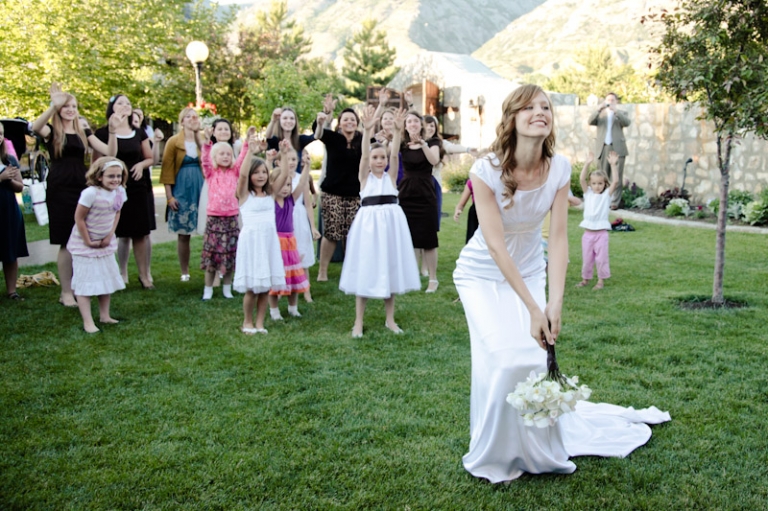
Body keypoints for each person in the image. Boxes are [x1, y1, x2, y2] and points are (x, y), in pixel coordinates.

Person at [453, 84, 670, 484]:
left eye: (546, 107)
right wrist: (534, 308)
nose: (541, 112)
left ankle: (537, 449)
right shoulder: (485, 171)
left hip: (533, 268)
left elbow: (557, 238)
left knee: (533, 358)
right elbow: (497, 246)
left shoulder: (559, 168)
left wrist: (554, 304)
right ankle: (495, 450)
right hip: (482, 273)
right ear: (512, 118)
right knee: (500, 359)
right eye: (530, 107)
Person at [31, 83, 119, 307]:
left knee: (81, 237)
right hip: (60, 188)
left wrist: (113, 131)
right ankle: (66, 291)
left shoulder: (83, 131)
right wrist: (53, 105)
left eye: (74, 106)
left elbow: (110, 152)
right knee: (65, 242)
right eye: (66, 106)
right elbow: (35, 127)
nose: (70, 109)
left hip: (82, 187)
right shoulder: (52, 132)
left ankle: (86, 285)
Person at [339, 106, 420, 337]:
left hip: (391, 226)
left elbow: (395, 154)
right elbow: (364, 155)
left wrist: (397, 130)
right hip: (368, 226)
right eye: (375, 157)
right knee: (366, 266)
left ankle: (390, 319)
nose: (378, 160)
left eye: (381, 157)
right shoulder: (364, 179)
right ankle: (358, 321)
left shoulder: (391, 177)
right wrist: (366, 131)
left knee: (390, 266)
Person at [93, 95, 154, 289]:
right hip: (113, 189)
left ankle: (144, 276)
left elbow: (150, 157)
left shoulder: (138, 133)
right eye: (120, 103)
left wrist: (141, 165)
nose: (125, 106)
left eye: (128, 103)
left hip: (136, 187)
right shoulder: (103, 133)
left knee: (140, 233)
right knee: (113, 233)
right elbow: (97, 161)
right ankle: (115, 275)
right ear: (112, 108)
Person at [233, 139, 290, 335]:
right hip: (251, 243)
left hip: (267, 242)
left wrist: (283, 153)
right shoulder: (244, 195)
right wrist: (250, 151)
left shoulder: (270, 194)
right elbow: (241, 175)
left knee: (265, 287)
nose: (261, 176)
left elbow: (283, 175)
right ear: (250, 176)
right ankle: (247, 321)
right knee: (252, 287)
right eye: (256, 173)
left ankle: (260, 322)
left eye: (264, 172)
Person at [67, 158, 128, 333]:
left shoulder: (120, 192)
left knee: (105, 279)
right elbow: (79, 218)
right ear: (99, 176)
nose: (115, 179)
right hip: (84, 245)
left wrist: (110, 235)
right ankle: (88, 321)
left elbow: (117, 213)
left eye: (118, 176)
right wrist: (87, 241)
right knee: (85, 283)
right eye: (111, 176)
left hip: (104, 244)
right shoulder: (90, 193)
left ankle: (105, 315)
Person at [199, 127, 253, 300]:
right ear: (215, 157)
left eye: (228, 154)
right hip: (214, 219)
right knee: (212, 255)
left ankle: (227, 288)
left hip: (230, 218)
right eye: (221, 154)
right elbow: (205, 161)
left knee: (230, 255)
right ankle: (208, 289)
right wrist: (207, 143)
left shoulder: (235, 172)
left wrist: (247, 142)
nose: (225, 156)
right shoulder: (210, 173)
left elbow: (243, 159)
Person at [313, 100, 363, 281]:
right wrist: (323, 116)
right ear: (339, 122)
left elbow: (380, 143)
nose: (349, 122)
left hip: (355, 195)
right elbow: (317, 133)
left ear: (357, 122)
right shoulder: (332, 138)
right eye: (345, 119)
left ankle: (350, 271)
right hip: (332, 192)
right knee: (332, 233)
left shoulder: (362, 139)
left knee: (352, 235)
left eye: (352, 119)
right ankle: (322, 271)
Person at [268, 141, 313, 320]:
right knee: (277, 277)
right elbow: (283, 174)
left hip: (290, 242)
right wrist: (283, 154)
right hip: (276, 243)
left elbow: (301, 183)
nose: (286, 188)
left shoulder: (291, 200)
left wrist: (307, 167)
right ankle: (274, 310)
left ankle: (293, 307)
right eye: (282, 185)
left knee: (294, 276)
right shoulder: (270, 200)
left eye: (288, 185)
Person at [160, 107, 205, 281]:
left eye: (194, 116)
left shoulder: (202, 141)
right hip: (181, 189)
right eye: (188, 116)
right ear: (182, 121)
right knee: (183, 233)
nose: (192, 118)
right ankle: (185, 271)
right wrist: (169, 196)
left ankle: (211, 269)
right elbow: (167, 171)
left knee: (208, 230)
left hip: (201, 187)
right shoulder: (173, 142)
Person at [399, 111, 441, 293]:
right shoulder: (401, 144)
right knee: (409, 238)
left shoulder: (432, 143)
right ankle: (411, 277)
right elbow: (386, 153)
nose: (413, 124)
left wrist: (423, 143)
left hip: (425, 193)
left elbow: (434, 160)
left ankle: (433, 279)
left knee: (428, 239)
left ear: (421, 125)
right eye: (409, 121)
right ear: (405, 125)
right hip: (406, 193)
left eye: (416, 121)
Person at [576, 151, 618, 290]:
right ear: (590, 184)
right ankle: (585, 279)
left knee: (601, 259)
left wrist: (613, 165)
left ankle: (600, 281)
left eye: (600, 183)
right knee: (587, 258)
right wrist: (587, 163)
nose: (597, 186)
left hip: (601, 234)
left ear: (604, 184)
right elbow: (582, 179)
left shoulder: (606, 195)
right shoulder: (587, 194)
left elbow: (616, 181)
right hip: (588, 234)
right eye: (594, 183)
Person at [588, 92, 631, 209]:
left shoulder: (621, 113)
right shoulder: (600, 114)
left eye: (612, 100)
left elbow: (627, 123)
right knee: (602, 176)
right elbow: (590, 121)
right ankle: (601, 201)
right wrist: (598, 110)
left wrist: (615, 111)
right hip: (603, 148)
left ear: (616, 101)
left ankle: (614, 203)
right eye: (608, 100)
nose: (610, 102)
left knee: (616, 176)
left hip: (618, 148)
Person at [0, 132, 28, 301]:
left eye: (1, 133)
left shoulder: (9, 159)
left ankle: (12, 291)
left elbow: (20, 187)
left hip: (8, 208)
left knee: (10, 250)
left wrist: (8, 181)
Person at [294, 151, 321, 302]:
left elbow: (308, 204)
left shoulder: (301, 179)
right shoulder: (278, 178)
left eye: (294, 159)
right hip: (284, 221)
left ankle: (306, 291)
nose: (291, 162)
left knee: (303, 253)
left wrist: (312, 227)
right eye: (288, 159)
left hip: (299, 219)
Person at [453, 178, 479, 244]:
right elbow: (461, 204)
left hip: (491, 212)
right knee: (473, 239)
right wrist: (458, 211)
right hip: (475, 214)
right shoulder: (472, 181)